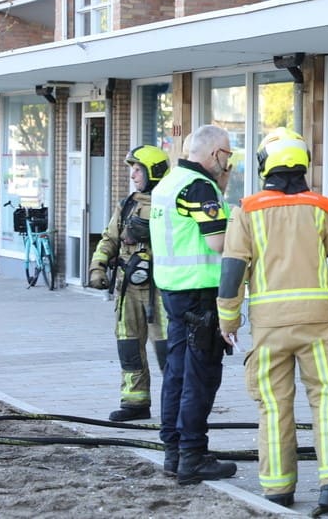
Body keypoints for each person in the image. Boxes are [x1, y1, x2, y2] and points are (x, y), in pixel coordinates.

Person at [217, 128, 328, 512]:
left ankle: (278, 489)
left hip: (269, 328)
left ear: (264, 165)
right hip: (316, 325)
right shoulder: (322, 207)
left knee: (273, 406)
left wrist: (228, 320)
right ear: (302, 163)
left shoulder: (246, 210)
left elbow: (233, 270)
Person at [149, 124, 237, 485]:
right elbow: (219, 242)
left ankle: (174, 451)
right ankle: (193, 455)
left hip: (173, 292)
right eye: (228, 156)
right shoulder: (199, 187)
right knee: (200, 377)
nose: (229, 163)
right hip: (200, 295)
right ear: (215, 154)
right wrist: (239, 218)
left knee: (177, 373)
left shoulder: (170, 182)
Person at [88, 145, 170, 423]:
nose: (133, 175)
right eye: (132, 169)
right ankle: (135, 402)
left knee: (167, 350)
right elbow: (109, 238)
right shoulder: (127, 205)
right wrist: (97, 266)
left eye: (138, 169)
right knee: (129, 346)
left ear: (153, 172)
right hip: (129, 289)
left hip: (161, 289)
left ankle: (176, 406)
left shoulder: (170, 203)